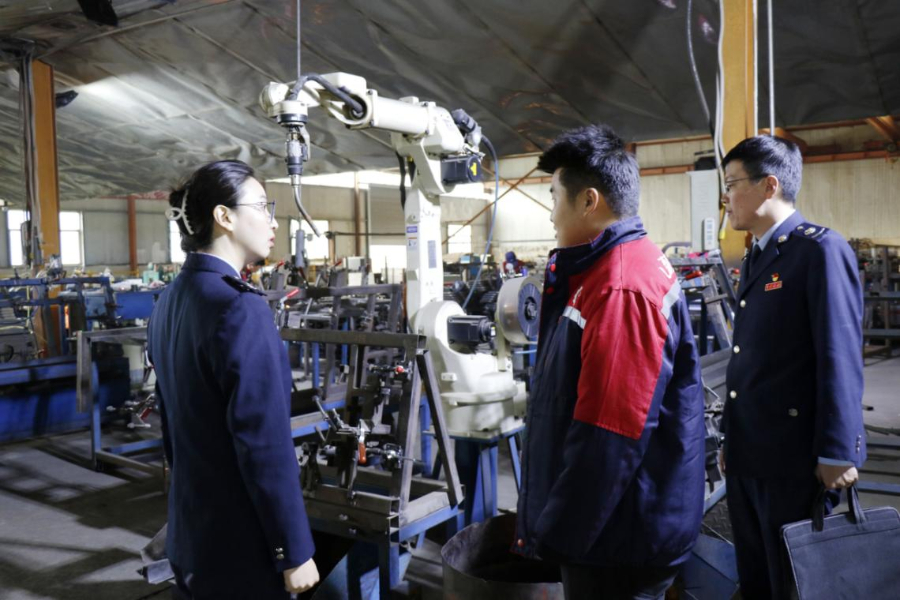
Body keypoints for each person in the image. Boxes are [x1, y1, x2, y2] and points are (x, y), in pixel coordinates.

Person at [514, 125, 706, 599]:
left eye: (554, 196)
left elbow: (609, 438)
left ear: (588, 201)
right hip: (618, 528)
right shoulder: (613, 267)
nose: (551, 214)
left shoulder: (620, 287)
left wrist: (557, 536)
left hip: (617, 542)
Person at [148, 160, 319, 599]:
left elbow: (173, 429)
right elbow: (263, 444)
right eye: (261, 206)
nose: (273, 221)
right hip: (240, 547)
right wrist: (293, 551)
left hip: (191, 534)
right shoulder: (240, 307)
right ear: (224, 216)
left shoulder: (170, 300)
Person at [719, 136, 865, 599]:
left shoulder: (818, 250)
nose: (725, 197)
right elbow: (751, 358)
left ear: (769, 186)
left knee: (794, 581)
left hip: (793, 458)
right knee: (757, 576)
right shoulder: (758, 254)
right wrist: (731, 436)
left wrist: (838, 451)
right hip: (750, 453)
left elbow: (839, 354)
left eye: (731, 184)